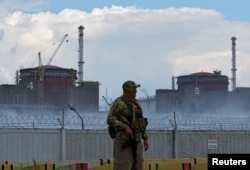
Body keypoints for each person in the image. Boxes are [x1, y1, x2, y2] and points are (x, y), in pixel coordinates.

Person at [107, 80, 149, 170]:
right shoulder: (119, 103)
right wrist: (124, 126)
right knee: (123, 166)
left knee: (138, 166)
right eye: (134, 89)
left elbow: (141, 122)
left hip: (137, 141)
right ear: (127, 90)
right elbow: (110, 119)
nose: (136, 91)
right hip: (124, 141)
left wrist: (145, 138)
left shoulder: (136, 104)